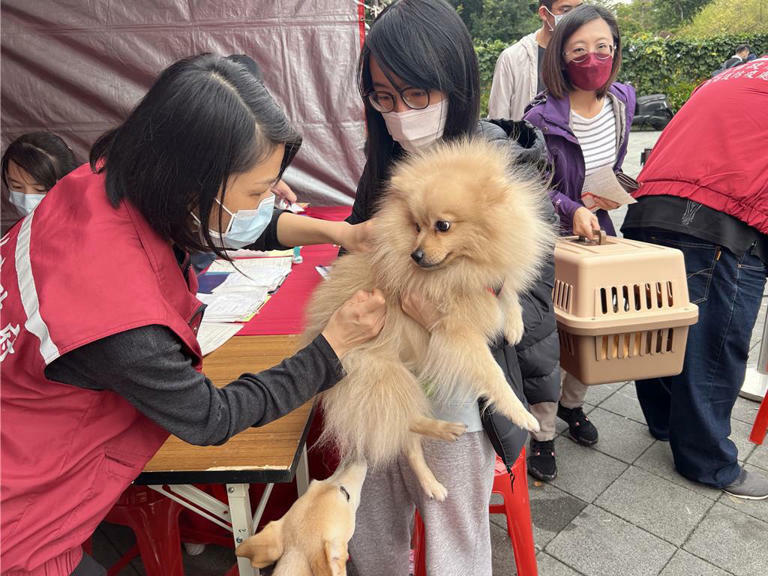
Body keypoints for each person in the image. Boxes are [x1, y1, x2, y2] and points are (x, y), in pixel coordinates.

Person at [0, 54, 388, 576]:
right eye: (257, 192)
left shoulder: (105, 182)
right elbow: (211, 417)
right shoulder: (119, 312)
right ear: (191, 182)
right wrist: (331, 348)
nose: (266, 204)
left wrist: (342, 232)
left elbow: (225, 223)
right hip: (21, 519)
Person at [344, 2, 560, 574]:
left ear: (456, 86)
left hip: (464, 397)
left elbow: (537, 309)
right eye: (384, 99)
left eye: (417, 95)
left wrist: (447, 316)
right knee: (368, 525)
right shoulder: (385, 165)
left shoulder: (503, 170)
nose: (402, 113)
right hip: (382, 370)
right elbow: (359, 251)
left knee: (454, 541)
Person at [620, 56, 768, 499]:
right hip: (717, 218)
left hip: (648, 206)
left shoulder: (740, 72)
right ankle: (707, 461)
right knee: (714, 344)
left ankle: (665, 421)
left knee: (657, 322)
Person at [523, 4, 635, 478]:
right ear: (561, 56)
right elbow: (532, 185)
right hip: (551, 240)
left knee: (594, 328)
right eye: (580, 50)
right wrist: (573, 208)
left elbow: (613, 166)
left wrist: (617, 192)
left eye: (603, 48)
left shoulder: (621, 103)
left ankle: (573, 404)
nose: (594, 58)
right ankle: (542, 430)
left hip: (598, 236)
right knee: (548, 336)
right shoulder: (540, 116)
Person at [487, 0, 583, 121]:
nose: (574, 17)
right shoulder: (512, 58)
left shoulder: (583, 56)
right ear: (544, 13)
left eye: (579, 9)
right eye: (565, 10)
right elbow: (498, 120)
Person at [1, 131, 78, 234]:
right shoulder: (14, 235)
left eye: (40, 189)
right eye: (17, 186)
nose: (26, 199)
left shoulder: (86, 235)